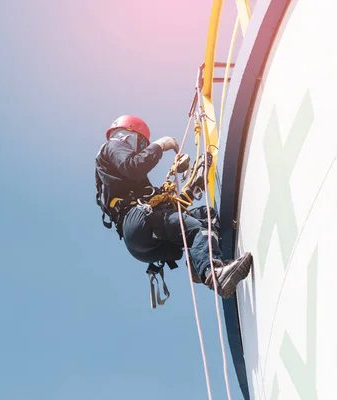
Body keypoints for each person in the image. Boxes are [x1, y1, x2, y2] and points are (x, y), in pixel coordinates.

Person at [95, 115, 252, 299]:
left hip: (141, 234)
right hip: (138, 221)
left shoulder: (127, 184)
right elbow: (134, 166)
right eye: (141, 145)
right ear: (129, 134)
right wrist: (160, 146)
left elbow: (166, 205)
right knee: (194, 228)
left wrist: (193, 188)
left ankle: (198, 266)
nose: (141, 150)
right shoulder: (113, 146)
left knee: (205, 216)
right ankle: (214, 273)